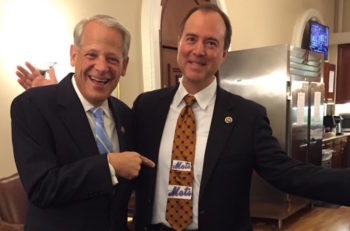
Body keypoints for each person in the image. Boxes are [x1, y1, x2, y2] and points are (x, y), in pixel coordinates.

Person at [14, 4, 350, 231]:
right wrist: (58, 93)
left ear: (223, 52)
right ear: (179, 44)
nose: (198, 50)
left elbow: (288, 173)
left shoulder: (247, 117)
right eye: (191, 38)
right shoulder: (145, 108)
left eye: (210, 42)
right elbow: (95, 153)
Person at [11, 15, 154, 231]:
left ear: (124, 66)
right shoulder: (32, 106)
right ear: (73, 55)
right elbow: (42, 187)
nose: (101, 66)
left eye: (112, 59)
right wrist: (110, 165)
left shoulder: (125, 114)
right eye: (92, 55)